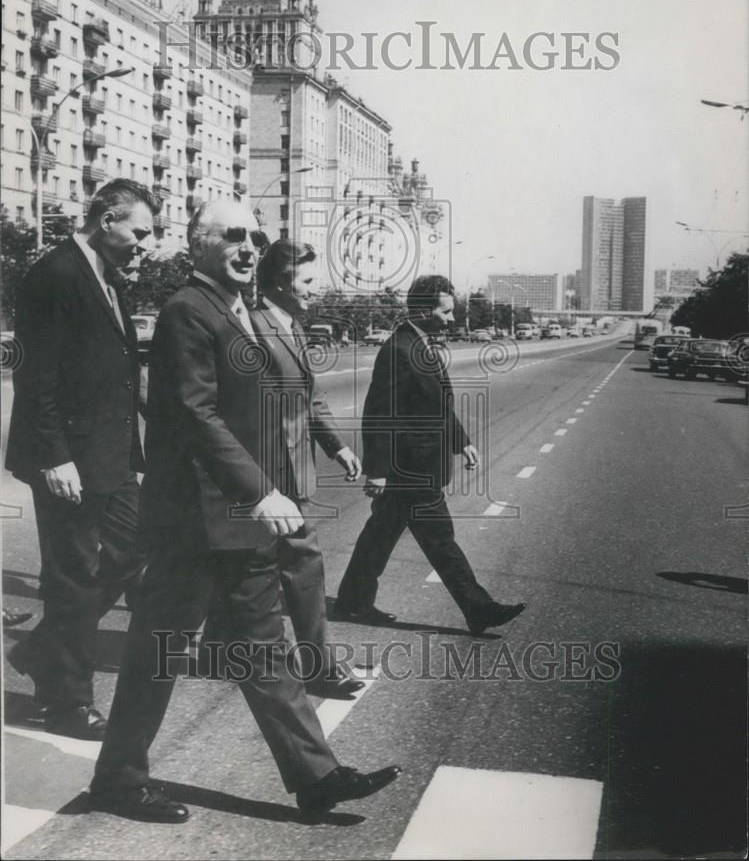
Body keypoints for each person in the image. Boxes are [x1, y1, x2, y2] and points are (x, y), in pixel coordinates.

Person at [89, 201, 400, 823]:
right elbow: (196, 413)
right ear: (197, 244)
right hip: (192, 523)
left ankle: (316, 777)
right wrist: (260, 490)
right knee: (160, 651)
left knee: (262, 649)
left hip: (235, 519)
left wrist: (268, 485)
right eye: (232, 236)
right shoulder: (187, 310)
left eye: (254, 238)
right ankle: (118, 780)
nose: (248, 248)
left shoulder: (239, 312)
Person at [5, 180, 160, 739]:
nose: (144, 244)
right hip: (66, 458)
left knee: (138, 544)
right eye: (138, 232)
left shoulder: (108, 277)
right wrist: (53, 458)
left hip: (109, 456)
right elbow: (36, 376)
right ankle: (66, 704)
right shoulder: (56, 274)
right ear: (105, 217)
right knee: (73, 577)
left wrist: (135, 456)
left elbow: (120, 379)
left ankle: (43, 650)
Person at [335, 274, 525, 635]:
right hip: (410, 468)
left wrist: (462, 441)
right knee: (440, 538)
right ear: (423, 310)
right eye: (446, 312)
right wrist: (377, 470)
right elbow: (379, 414)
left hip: (419, 464)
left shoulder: (421, 344)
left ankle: (352, 602)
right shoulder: (398, 350)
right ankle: (478, 608)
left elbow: (435, 406)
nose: (452, 319)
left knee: (381, 533)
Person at [242, 239, 364, 698]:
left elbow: (309, 397)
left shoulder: (291, 326)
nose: (317, 288)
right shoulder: (253, 328)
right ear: (280, 281)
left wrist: (337, 447)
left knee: (231, 568)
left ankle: (219, 644)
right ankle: (318, 667)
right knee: (303, 562)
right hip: (269, 473)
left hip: (290, 470)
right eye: (308, 280)